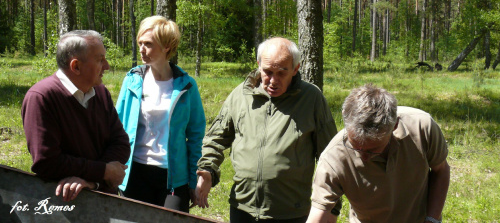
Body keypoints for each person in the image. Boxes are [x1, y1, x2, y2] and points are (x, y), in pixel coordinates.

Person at [196, 37, 338, 222]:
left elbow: (331, 157)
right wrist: (208, 170)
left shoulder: (311, 99)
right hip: (242, 207)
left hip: (291, 212)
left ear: (295, 69)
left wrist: (330, 208)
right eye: (267, 72)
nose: (273, 80)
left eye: (281, 73)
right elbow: (215, 139)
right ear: (258, 64)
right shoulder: (241, 95)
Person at [306, 84, 450, 223]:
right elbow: (319, 214)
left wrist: (432, 219)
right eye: (355, 147)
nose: (363, 156)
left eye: (372, 150)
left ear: (394, 126)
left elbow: (441, 170)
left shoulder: (421, 127)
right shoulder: (334, 157)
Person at [21, 30, 131, 202]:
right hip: (64, 207)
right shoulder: (42, 97)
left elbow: (121, 143)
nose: (107, 66)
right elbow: (47, 162)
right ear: (76, 66)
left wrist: (92, 180)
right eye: (100, 60)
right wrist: (104, 171)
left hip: (105, 202)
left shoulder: (101, 93)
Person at [115, 16, 206, 212]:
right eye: (140, 43)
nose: (141, 49)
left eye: (148, 44)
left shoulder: (186, 85)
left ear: (167, 46)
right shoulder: (132, 80)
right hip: (135, 171)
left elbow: (196, 135)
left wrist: (193, 179)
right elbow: (116, 127)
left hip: (173, 177)